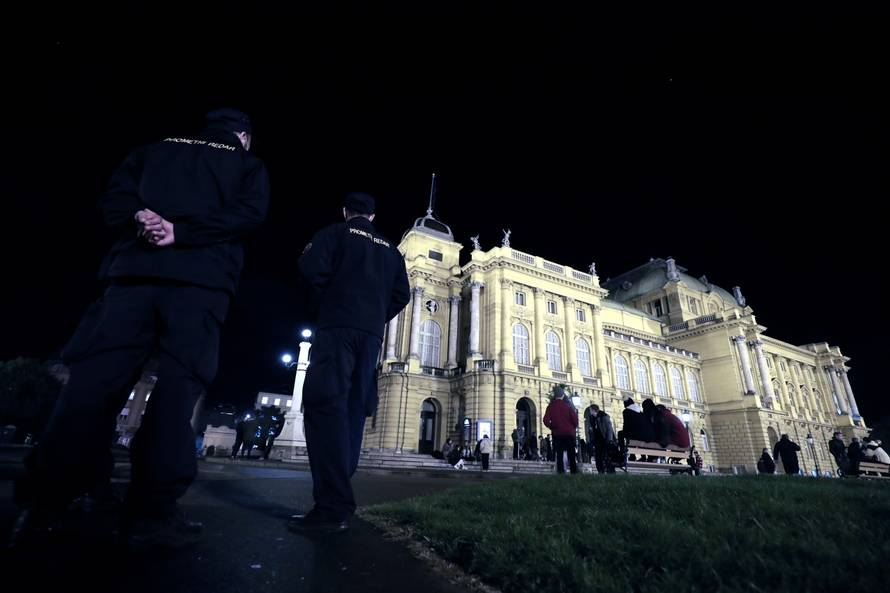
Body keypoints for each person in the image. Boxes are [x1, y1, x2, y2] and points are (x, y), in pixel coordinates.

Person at [11, 108, 269, 550]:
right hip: (199, 284)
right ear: (243, 137)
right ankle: (151, 514)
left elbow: (113, 201)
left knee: (92, 386)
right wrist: (182, 232)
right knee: (177, 392)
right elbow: (248, 216)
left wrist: (142, 219)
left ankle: (47, 504)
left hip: (131, 277)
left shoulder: (155, 150)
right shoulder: (247, 165)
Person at [291, 192, 410, 533]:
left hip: (338, 327)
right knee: (354, 407)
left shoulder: (334, 233)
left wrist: (327, 303)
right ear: (372, 216)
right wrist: (374, 316)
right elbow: (402, 294)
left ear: (346, 212)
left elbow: (308, 270)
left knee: (324, 403)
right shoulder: (391, 250)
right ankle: (338, 491)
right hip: (370, 336)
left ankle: (332, 506)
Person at [543, 387, 579, 474]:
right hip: (569, 434)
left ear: (555, 396)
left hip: (557, 434)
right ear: (563, 395)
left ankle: (561, 471)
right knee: (571, 454)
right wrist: (572, 427)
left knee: (559, 454)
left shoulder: (550, 406)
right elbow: (575, 420)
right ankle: (574, 472)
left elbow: (545, 420)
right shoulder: (568, 406)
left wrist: (552, 427)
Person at [589, 404, 617, 474]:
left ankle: (610, 471)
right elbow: (593, 429)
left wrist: (609, 440)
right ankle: (600, 471)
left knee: (607, 456)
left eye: (590, 410)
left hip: (605, 440)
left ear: (593, 410)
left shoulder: (603, 416)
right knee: (598, 456)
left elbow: (609, 429)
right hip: (597, 440)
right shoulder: (592, 418)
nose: (590, 412)